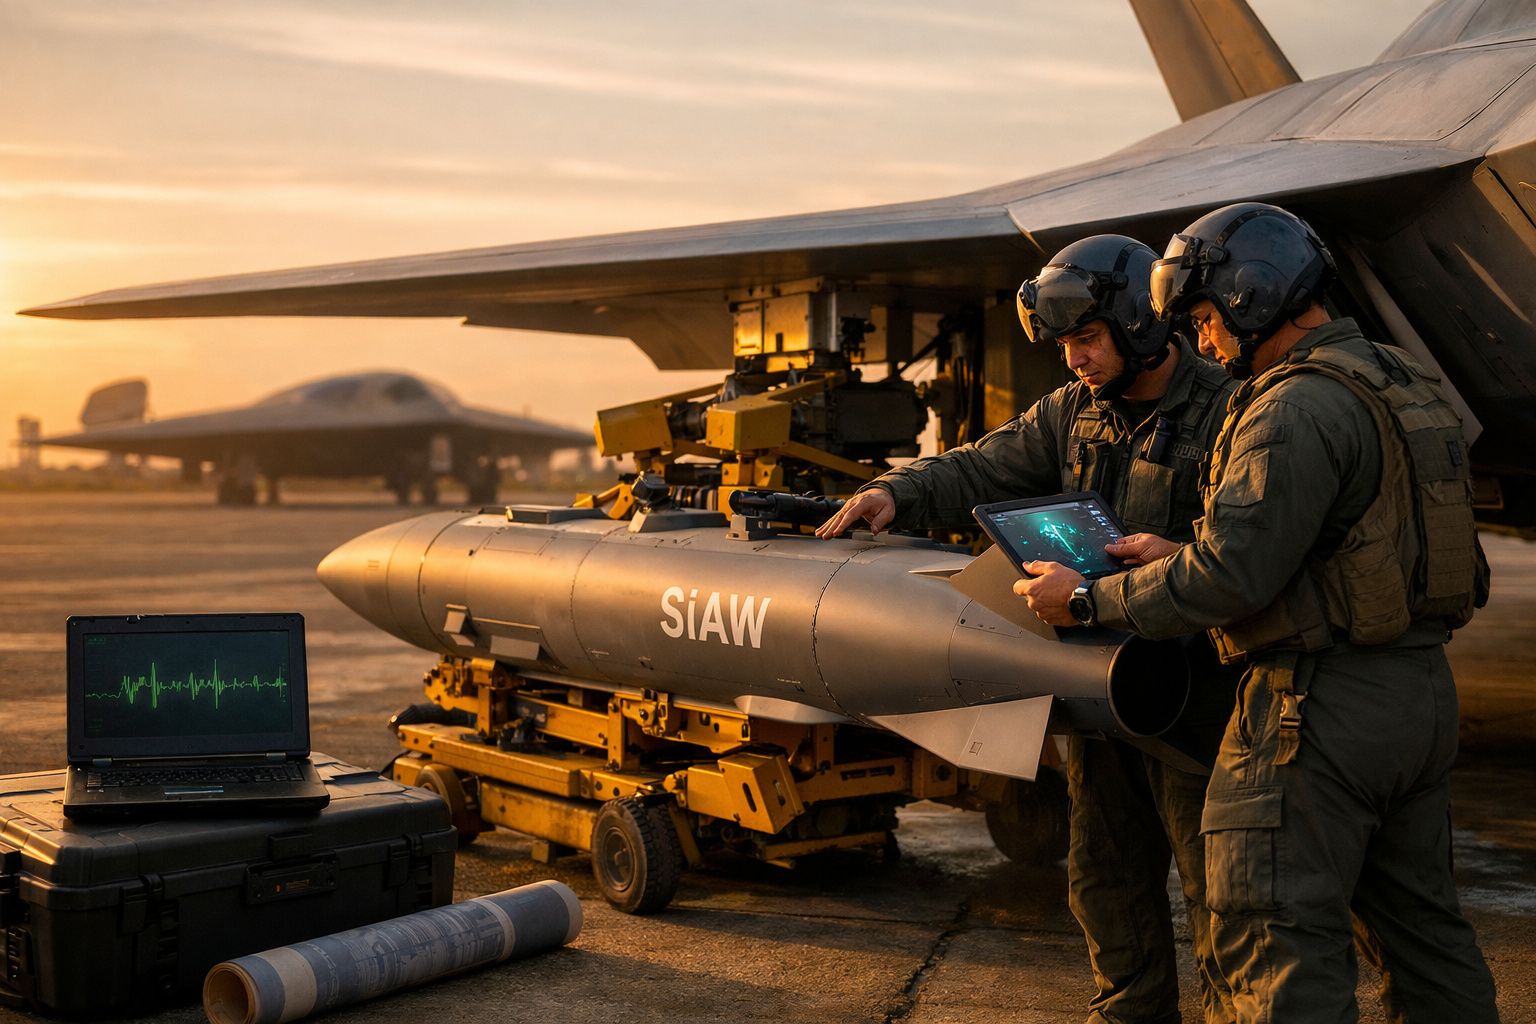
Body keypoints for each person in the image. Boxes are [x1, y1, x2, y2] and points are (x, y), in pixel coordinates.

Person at [1015, 203, 1500, 1023]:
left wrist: (1091, 596)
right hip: (1417, 697)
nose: (1202, 340)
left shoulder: (1290, 407)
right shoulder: (1400, 382)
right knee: (1425, 937)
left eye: (1205, 317)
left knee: (1271, 940)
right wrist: (1193, 557)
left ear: (1251, 297)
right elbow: (1420, 556)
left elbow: (1226, 580)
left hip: (1314, 711)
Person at [818, 234, 1238, 1024]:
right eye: (1065, 345)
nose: (1075, 359)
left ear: (1142, 325)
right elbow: (980, 464)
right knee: (1105, 881)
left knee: (1225, 896)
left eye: (1087, 338)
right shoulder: (1076, 414)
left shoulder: (1230, 409)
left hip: (1195, 701)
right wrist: (896, 493)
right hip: (1097, 696)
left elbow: (1244, 556)